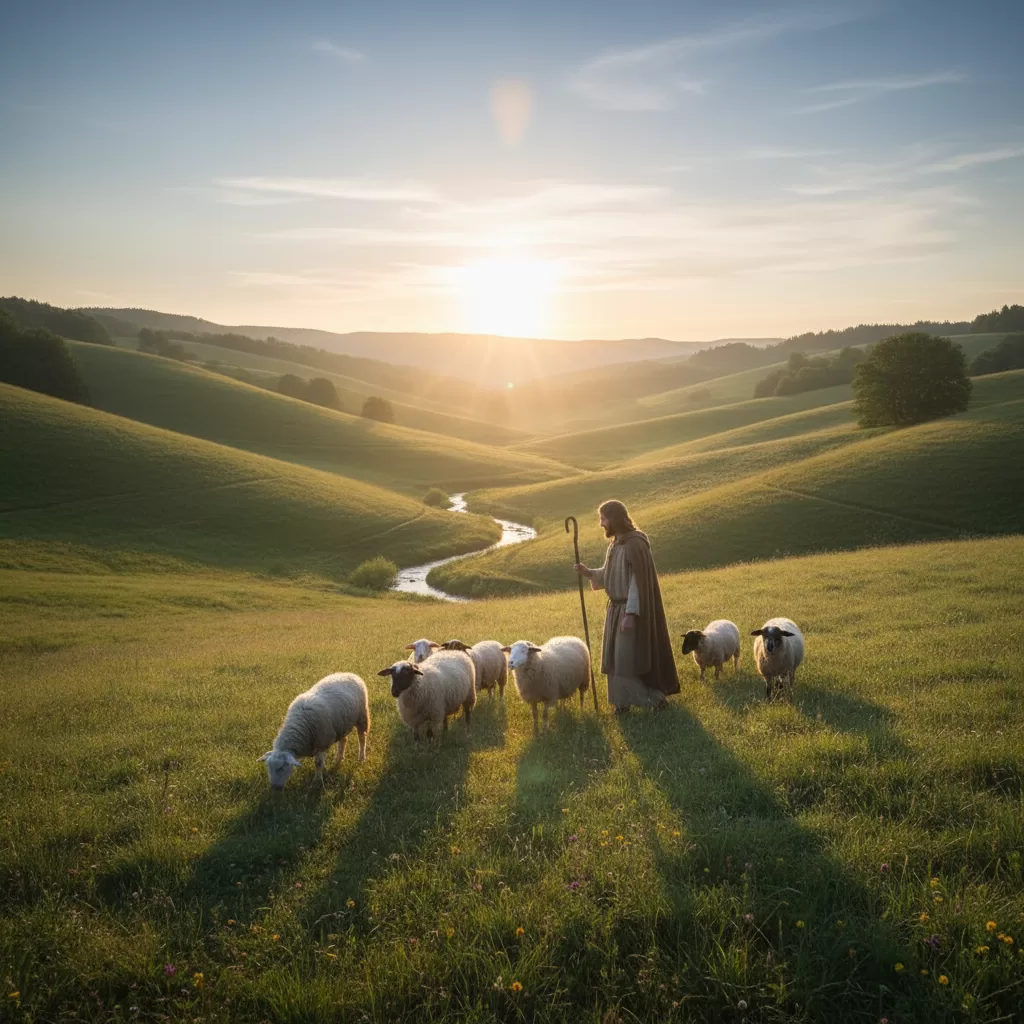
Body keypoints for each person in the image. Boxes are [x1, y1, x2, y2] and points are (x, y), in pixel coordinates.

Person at [574, 500, 679, 712]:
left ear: (614, 519)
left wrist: (630, 613)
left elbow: (636, 583)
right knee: (614, 659)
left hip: (630, 610)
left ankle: (654, 700)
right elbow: (608, 574)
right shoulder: (615, 544)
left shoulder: (635, 544)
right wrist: (588, 573)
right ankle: (621, 703)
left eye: (603, 518)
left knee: (625, 660)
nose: (601, 523)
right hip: (615, 609)